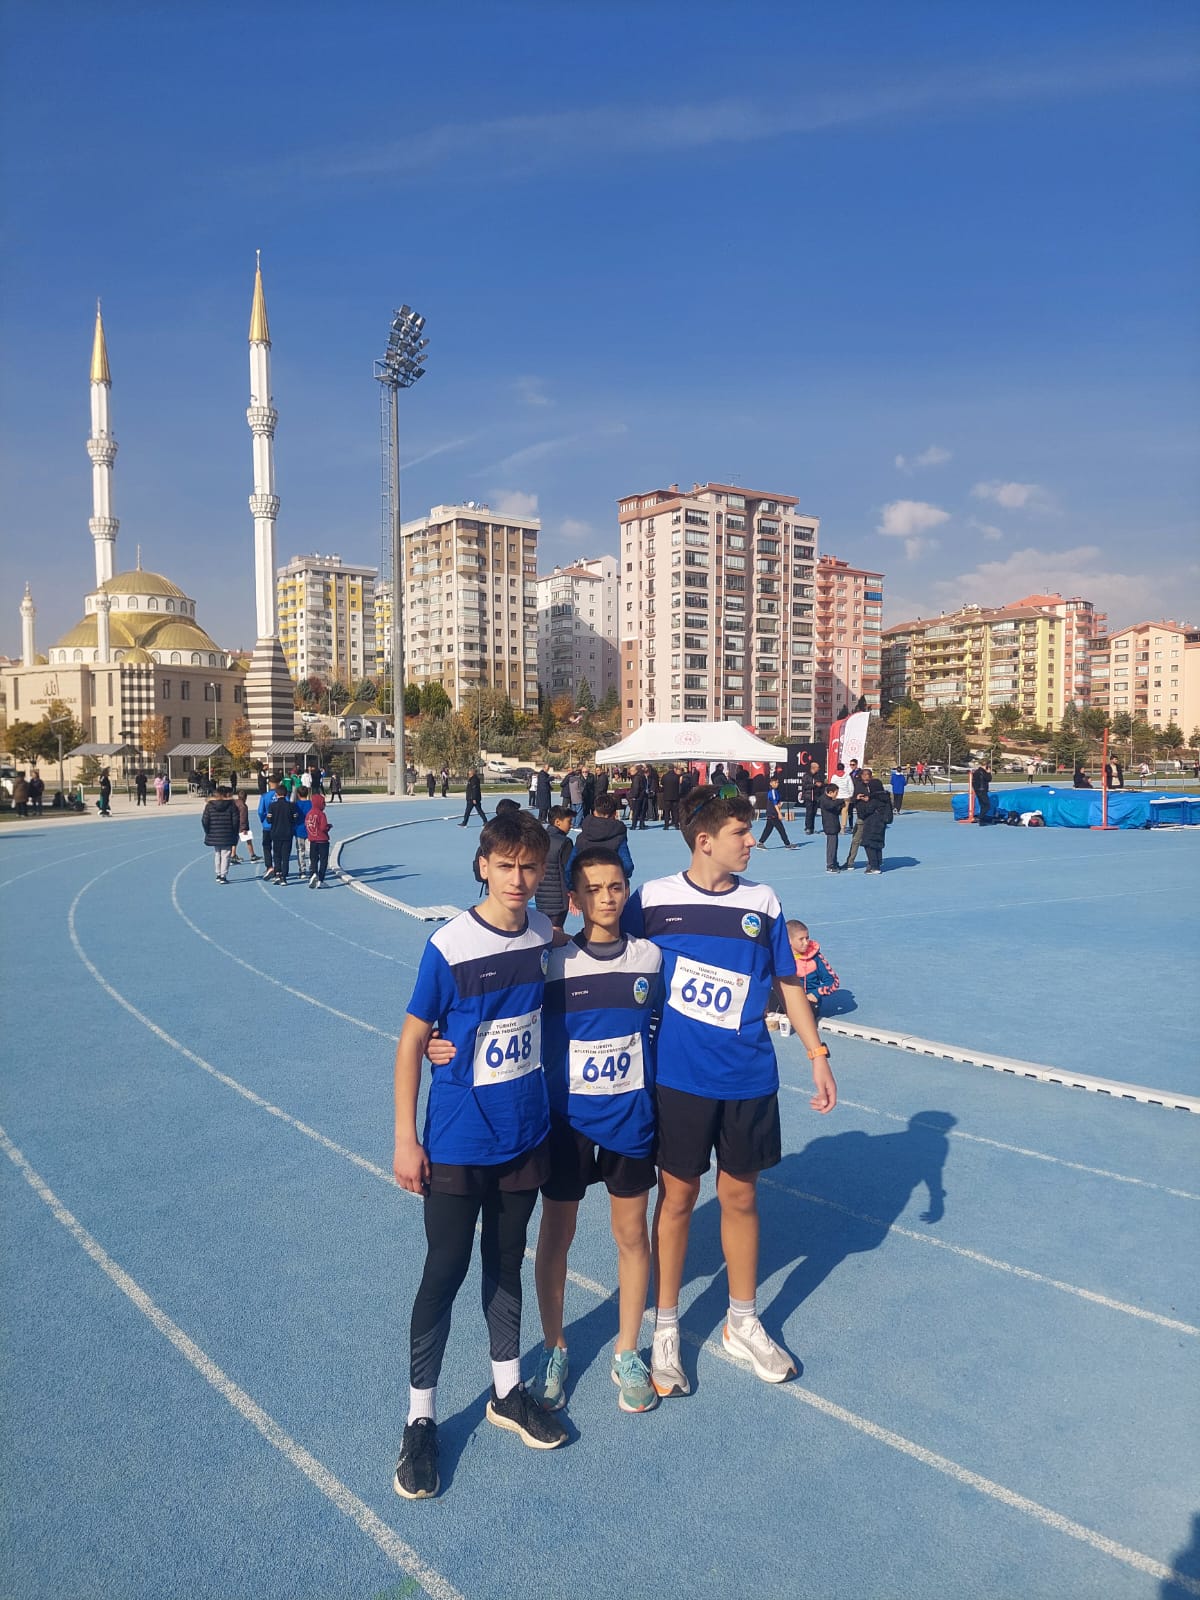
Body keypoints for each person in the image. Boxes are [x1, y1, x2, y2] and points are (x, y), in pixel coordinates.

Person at [621, 785, 836, 1399]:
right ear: (705, 840)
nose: (752, 842)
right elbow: (615, 960)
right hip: (678, 1080)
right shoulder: (654, 901)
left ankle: (742, 1321)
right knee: (679, 1197)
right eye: (742, 833)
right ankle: (666, 1328)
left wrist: (816, 1056)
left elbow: (789, 983)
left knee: (741, 1198)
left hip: (748, 1078)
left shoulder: (762, 902)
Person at [391, 809, 566, 1500]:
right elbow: (411, 1041)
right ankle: (420, 1418)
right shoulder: (450, 946)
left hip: (524, 1134)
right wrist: (406, 1137)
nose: (520, 880)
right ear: (483, 867)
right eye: (508, 866)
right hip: (460, 1139)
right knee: (445, 1270)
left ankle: (505, 1391)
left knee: (505, 1261)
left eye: (531, 867)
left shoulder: (545, 935)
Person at [530, 845, 663, 1414]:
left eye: (616, 886)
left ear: (625, 891)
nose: (607, 897)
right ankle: (555, 1346)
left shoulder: (651, 959)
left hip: (630, 1122)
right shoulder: (553, 963)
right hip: (567, 1124)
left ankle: (628, 1350)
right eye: (595, 889)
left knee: (631, 1236)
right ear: (576, 900)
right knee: (556, 1236)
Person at [766, 920, 840, 1029]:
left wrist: (816, 993)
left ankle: (790, 1017)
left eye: (807, 938)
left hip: (806, 1000)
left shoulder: (815, 958)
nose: (806, 942)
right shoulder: (778, 957)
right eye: (801, 939)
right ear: (788, 940)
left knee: (803, 1013)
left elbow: (834, 981)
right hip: (785, 997)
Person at [576, 794, 635, 880]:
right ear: (614, 814)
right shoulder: (619, 833)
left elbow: (570, 866)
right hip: (609, 883)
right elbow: (627, 866)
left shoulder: (583, 834)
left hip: (587, 882)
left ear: (594, 812)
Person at [535, 807, 574, 930]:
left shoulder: (538, 839)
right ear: (558, 822)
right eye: (569, 821)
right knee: (557, 929)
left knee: (544, 928)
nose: (571, 825)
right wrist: (573, 892)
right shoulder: (565, 842)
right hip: (559, 896)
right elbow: (569, 870)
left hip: (541, 894)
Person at [845, 771, 889, 869]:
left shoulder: (875, 785)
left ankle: (874, 862)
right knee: (856, 840)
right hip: (862, 816)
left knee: (874, 840)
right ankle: (850, 862)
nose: (865, 777)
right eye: (863, 775)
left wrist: (869, 799)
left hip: (873, 818)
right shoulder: (858, 786)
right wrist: (856, 798)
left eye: (867, 775)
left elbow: (879, 799)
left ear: (870, 776)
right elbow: (852, 799)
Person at [201, 785, 239, 884]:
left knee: (217, 853)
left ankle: (218, 874)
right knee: (226, 854)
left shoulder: (209, 805)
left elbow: (205, 820)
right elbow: (235, 821)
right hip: (228, 833)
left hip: (214, 832)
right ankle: (223, 875)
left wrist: (208, 831)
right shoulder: (232, 805)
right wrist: (235, 832)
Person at [855, 783, 892, 874]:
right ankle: (878, 862)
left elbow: (865, 812)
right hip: (881, 823)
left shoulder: (874, 799)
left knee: (869, 844)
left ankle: (874, 866)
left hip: (872, 823)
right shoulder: (886, 798)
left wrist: (860, 802)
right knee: (878, 843)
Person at [756, 776, 797, 850]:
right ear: (771, 783)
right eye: (775, 782)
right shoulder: (772, 792)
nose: (777, 784)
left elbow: (777, 803)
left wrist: (779, 805)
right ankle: (787, 844)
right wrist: (779, 813)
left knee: (768, 830)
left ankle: (760, 843)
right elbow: (775, 804)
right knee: (781, 830)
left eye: (778, 782)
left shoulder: (776, 791)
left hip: (772, 813)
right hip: (772, 814)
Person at [265, 783, 295, 884]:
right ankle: (284, 876)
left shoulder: (272, 806)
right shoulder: (291, 805)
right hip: (287, 833)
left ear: (277, 794)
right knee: (285, 856)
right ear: (286, 794)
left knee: (277, 855)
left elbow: (269, 820)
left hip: (276, 833)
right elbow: (295, 818)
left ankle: (277, 873)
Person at [306, 791, 332, 887]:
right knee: (323, 860)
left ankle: (314, 873)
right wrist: (328, 827)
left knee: (314, 859)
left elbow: (308, 825)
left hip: (313, 841)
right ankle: (321, 879)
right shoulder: (321, 814)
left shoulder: (309, 814)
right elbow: (323, 827)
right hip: (323, 840)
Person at [819, 782, 845, 873]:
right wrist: (841, 801)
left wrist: (841, 806)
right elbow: (831, 805)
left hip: (834, 824)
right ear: (830, 792)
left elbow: (835, 810)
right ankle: (830, 864)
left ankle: (834, 862)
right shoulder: (824, 799)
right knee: (831, 846)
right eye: (836, 793)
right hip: (829, 825)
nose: (837, 795)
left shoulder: (829, 799)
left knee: (834, 846)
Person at [229, 789, 259, 866]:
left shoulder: (233, 803)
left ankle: (233, 855)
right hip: (241, 825)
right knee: (248, 840)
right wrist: (244, 828)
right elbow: (243, 817)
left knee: (235, 840)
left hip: (233, 824)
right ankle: (252, 855)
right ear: (245, 798)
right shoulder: (243, 806)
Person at [292, 786, 313, 879]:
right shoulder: (311, 804)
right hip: (310, 830)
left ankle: (302, 870)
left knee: (300, 851)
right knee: (310, 850)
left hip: (298, 830)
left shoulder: (295, 805)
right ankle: (312, 869)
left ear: (298, 794)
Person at [801, 760, 825, 835]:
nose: (819, 769)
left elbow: (821, 784)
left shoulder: (818, 775)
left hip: (816, 797)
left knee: (814, 813)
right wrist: (814, 784)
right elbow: (805, 786)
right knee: (809, 812)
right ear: (813, 768)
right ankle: (808, 827)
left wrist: (821, 784)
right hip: (808, 797)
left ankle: (812, 828)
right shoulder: (806, 775)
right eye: (818, 767)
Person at [832, 763, 855, 833]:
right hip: (846, 796)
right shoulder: (847, 776)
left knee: (835, 812)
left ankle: (836, 826)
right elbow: (851, 786)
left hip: (837, 797)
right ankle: (843, 828)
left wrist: (833, 796)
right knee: (844, 812)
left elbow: (832, 786)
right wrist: (850, 795)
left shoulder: (834, 776)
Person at [660, 764, 681, 831]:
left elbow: (662, 783)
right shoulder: (677, 776)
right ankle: (676, 825)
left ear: (668, 768)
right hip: (675, 796)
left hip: (667, 796)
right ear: (674, 768)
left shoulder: (665, 776)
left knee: (667, 812)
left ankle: (666, 825)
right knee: (675, 811)